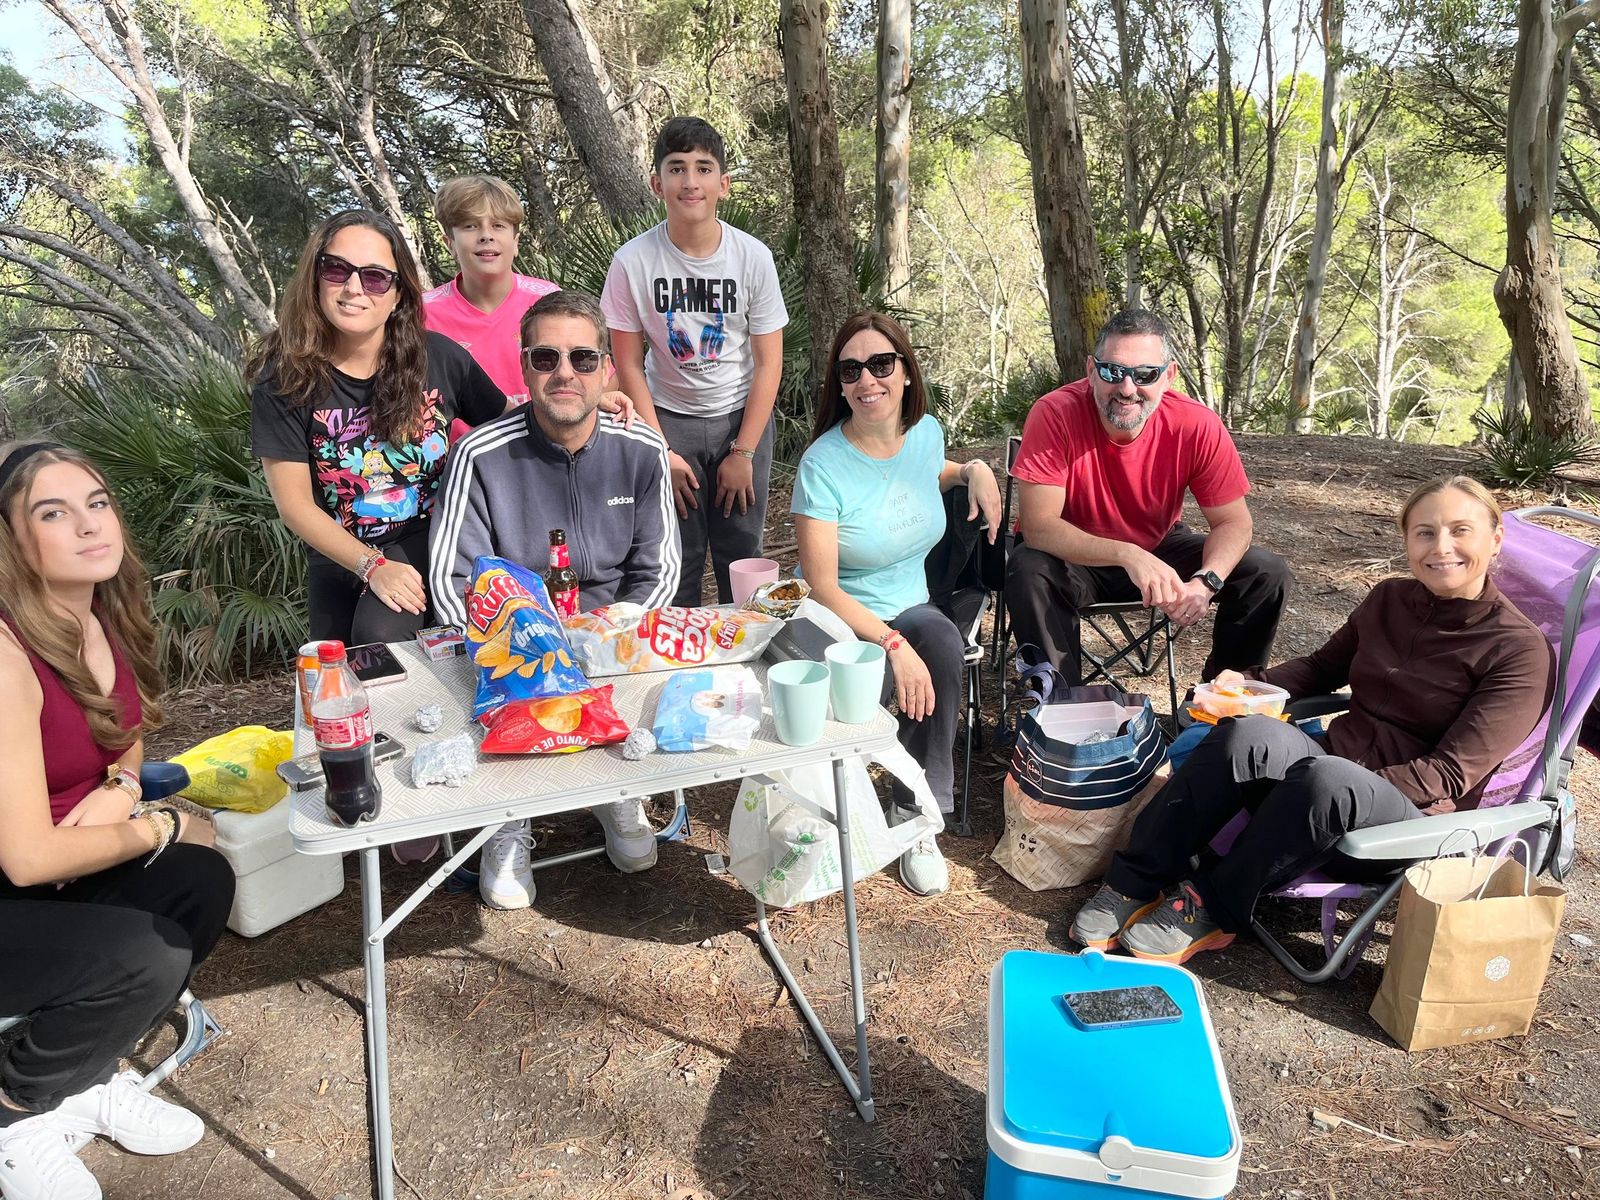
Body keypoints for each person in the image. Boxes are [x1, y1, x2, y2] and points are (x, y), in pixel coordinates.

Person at [1069, 476, 1554, 964]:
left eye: (1460, 530)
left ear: (1494, 540)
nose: (1441, 547)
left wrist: (1308, 785)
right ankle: (1133, 881)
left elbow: (1449, 774)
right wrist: (1248, 683)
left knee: (1327, 778)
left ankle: (1212, 904)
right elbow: (1322, 669)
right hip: (1326, 772)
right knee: (1249, 733)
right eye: (1425, 532)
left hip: (1408, 822)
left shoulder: (1518, 651)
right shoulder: (1389, 600)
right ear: (1408, 540)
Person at [0, 442, 235, 1200]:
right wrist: (157, 826)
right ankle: (14, 1109)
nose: (89, 525)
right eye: (53, 512)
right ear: (11, 539)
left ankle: (78, 1073)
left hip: (57, 871)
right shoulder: (5, 655)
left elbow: (123, 732)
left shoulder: (99, 611)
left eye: (96, 503)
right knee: (147, 954)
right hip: (16, 882)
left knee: (199, 881)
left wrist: (125, 785)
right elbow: (28, 860)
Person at [429, 289, 679, 911]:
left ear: (607, 371)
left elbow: (661, 571)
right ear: (523, 366)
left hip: (609, 637)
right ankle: (507, 817)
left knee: (631, 673)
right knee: (497, 686)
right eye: (546, 358)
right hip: (512, 645)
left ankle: (616, 791)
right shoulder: (479, 456)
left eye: (582, 358)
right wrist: (530, 654)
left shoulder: (642, 450)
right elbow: (451, 582)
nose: (564, 372)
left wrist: (603, 636)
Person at [792, 313, 1001, 896]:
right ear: (839, 383)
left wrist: (975, 469)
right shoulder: (823, 466)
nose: (868, 381)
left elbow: (933, 470)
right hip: (839, 618)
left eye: (882, 365)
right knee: (898, 658)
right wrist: (889, 642)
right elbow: (821, 585)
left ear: (906, 373)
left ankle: (918, 816)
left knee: (940, 643)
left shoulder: (926, 434)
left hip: (910, 604)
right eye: (851, 369)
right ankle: (844, 804)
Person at [249, 209, 508, 646]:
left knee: (376, 640)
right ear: (315, 278)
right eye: (336, 269)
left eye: (374, 277)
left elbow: (508, 428)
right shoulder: (284, 379)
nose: (353, 288)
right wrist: (372, 566)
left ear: (399, 295)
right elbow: (295, 506)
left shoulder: (438, 357)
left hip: (432, 535)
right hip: (340, 550)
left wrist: (592, 401)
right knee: (331, 665)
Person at [1005, 308, 1290, 683]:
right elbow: (1040, 529)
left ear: (1168, 376)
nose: (1126, 388)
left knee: (1264, 571)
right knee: (1029, 567)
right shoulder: (1055, 413)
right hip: (1072, 557)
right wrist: (1127, 554)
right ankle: (1062, 708)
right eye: (1112, 371)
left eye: (1144, 375)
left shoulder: (1195, 424)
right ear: (1091, 370)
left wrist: (1207, 580)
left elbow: (1233, 522)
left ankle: (1222, 699)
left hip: (1157, 546)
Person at [601, 115, 788, 606]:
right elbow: (628, 362)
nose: (690, 181)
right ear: (656, 182)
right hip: (666, 418)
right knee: (673, 556)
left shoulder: (752, 258)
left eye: (704, 168)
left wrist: (743, 452)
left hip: (739, 418)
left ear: (723, 184)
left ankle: (745, 659)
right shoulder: (632, 262)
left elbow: (769, 363)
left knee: (741, 554)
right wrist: (660, 448)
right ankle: (677, 667)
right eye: (677, 168)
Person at [422, 174, 558, 408]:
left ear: (516, 241)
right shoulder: (421, 313)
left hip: (541, 442)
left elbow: (599, 380)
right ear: (450, 243)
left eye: (498, 225)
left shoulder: (549, 301)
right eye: (470, 226)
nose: (486, 235)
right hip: (452, 445)